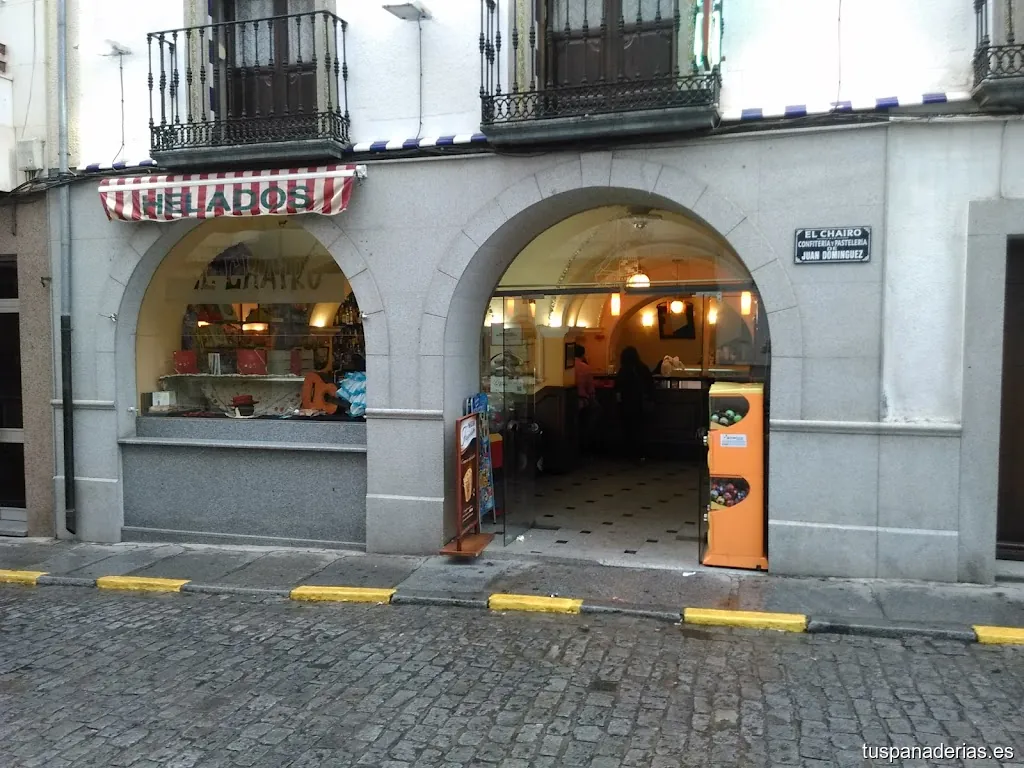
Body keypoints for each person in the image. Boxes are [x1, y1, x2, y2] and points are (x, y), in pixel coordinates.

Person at [615, 346, 655, 462]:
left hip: (626, 404)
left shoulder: (623, 370)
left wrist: (618, 402)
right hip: (640, 404)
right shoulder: (643, 368)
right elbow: (650, 385)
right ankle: (641, 454)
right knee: (640, 430)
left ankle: (629, 453)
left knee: (627, 429)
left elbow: (618, 388)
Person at [574, 343, 598, 454]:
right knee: (596, 412)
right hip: (582, 401)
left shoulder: (566, 366)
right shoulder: (585, 367)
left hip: (568, 401)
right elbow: (591, 389)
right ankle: (588, 445)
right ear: (583, 354)